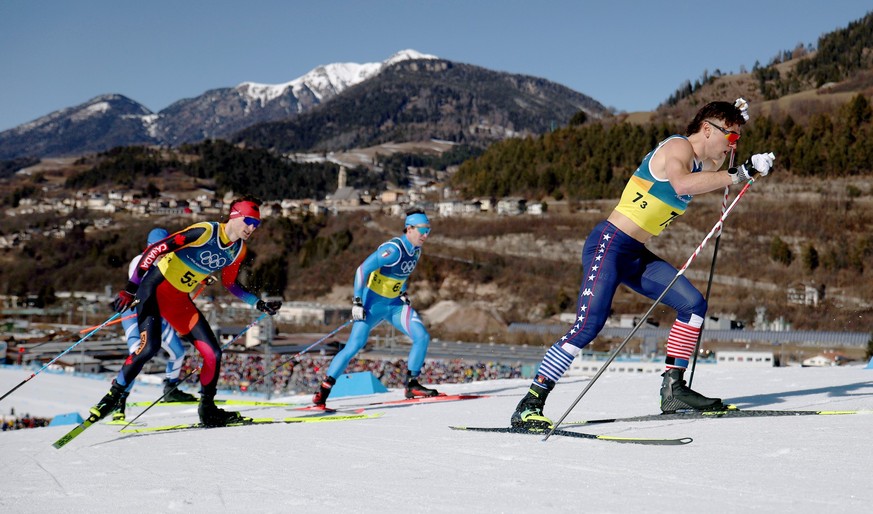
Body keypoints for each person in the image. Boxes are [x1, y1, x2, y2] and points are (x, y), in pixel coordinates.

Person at [512, 101, 776, 428]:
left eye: (736, 140)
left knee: (693, 305)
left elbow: (719, 173)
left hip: (635, 253)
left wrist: (741, 146)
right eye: (730, 138)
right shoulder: (677, 147)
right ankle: (530, 402)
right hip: (609, 245)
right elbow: (682, 184)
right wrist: (742, 171)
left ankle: (674, 389)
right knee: (589, 325)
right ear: (707, 129)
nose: (732, 145)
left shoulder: (702, 162)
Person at [90, 196, 283, 427]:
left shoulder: (238, 250)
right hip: (153, 290)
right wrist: (130, 289)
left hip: (178, 300)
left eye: (257, 223)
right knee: (149, 347)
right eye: (249, 221)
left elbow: (230, 284)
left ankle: (208, 409)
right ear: (235, 216)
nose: (252, 227)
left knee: (213, 353)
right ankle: (112, 398)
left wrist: (258, 303)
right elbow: (156, 248)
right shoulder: (205, 231)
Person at [312, 208, 439, 407]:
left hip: (395, 306)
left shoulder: (416, 251)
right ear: (409, 228)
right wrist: (357, 301)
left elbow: (401, 276)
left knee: (422, 336)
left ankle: (412, 384)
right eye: (422, 230)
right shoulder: (394, 249)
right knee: (354, 346)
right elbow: (362, 270)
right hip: (372, 306)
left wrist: (403, 292)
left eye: (428, 230)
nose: (426, 234)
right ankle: (324, 390)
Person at [111, 228, 198, 422]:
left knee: (178, 352)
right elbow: (140, 283)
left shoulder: (169, 261)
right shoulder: (139, 260)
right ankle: (120, 399)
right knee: (137, 355)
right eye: (155, 248)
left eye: (163, 248)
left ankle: (171, 389)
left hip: (156, 315)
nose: (160, 253)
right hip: (136, 316)